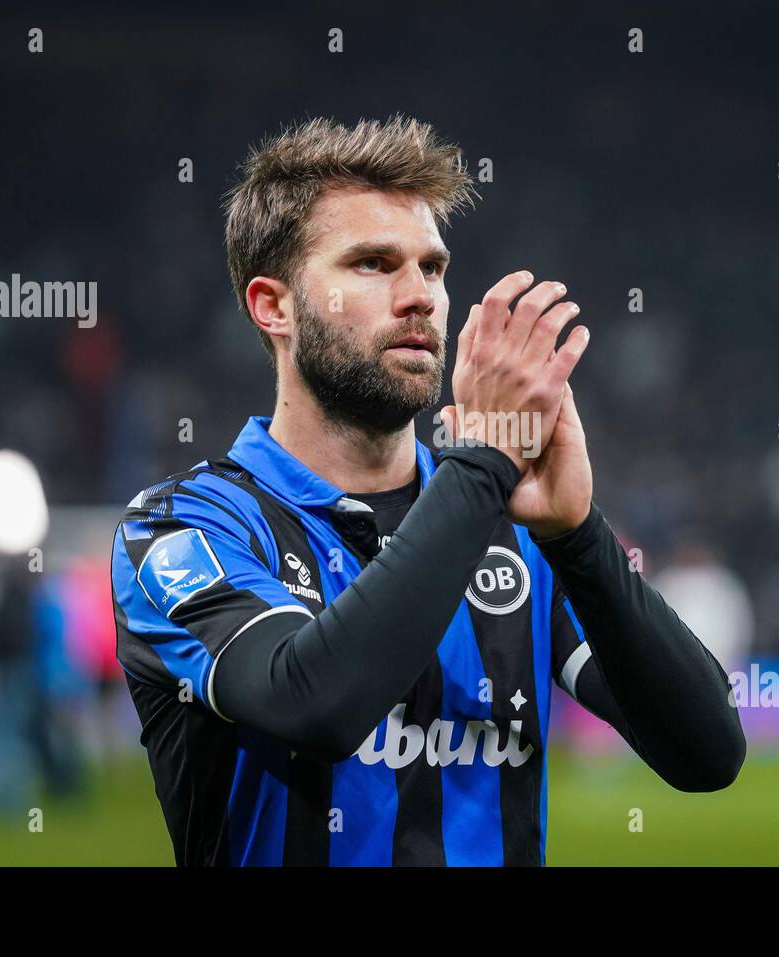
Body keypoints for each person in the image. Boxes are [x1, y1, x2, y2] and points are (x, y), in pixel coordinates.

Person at [110, 115, 744, 866]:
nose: (419, 296)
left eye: (433, 268)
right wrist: (481, 465)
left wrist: (575, 535)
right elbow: (312, 702)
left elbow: (706, 753)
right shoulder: (187, 527)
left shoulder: (511, 529)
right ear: (272, 306)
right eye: (373, 264)